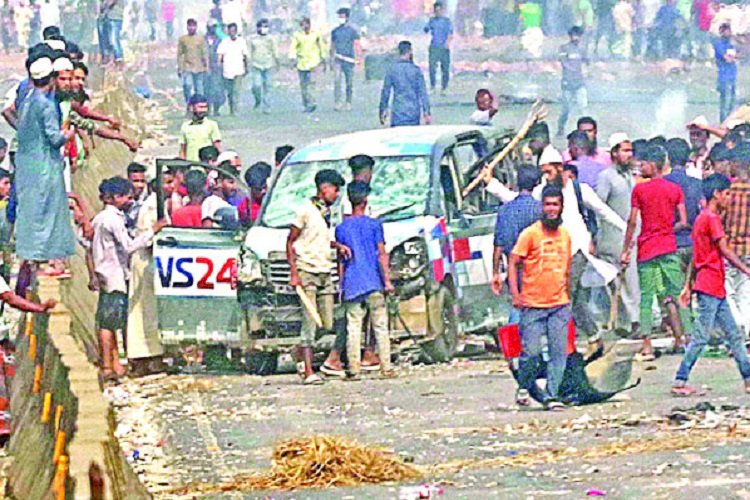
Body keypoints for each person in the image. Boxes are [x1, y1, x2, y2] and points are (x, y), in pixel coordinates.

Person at [482, 145, 626, 355]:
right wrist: (490, 182)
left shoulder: (579, 190)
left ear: (560, 168)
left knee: (564, 297)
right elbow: (515, 199)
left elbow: (604, 212)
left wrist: (627, 230)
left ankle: (574, 343)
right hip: (556, 255)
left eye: (549, 172)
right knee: (571, 300)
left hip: (576, 251)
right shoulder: (542, 192)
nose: (546, 177)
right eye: (544, 173)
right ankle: (587, 339)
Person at [673, 173, 750, 396]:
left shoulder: (702, 218)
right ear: (717, 194)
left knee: (734, 334)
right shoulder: (712, 219)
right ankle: (680, 379)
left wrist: (688, 285)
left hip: (712, 284)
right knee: (701, 336)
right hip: (710, 285)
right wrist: (745, 269)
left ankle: (747, 377)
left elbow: (697, 258)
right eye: (726, 194)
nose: (729, 199)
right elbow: (724, 250)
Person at [92, 177, 166, 380]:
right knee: (109, 324)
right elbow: (129, 246)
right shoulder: (112, 220)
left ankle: (115, 365)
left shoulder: (100, 218)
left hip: (106, 273)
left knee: (109, 321)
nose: (129, 200)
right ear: (114, 197)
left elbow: (88, 242)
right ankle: (108, 366)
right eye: (125, 196)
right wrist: (154, 230)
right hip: (114, 275)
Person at [621, 145, 691, 360]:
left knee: (647, 297)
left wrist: (626, 249)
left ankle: (647, 344)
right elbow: (684, 221)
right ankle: (686, 339)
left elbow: (632, 221)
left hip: (647, 249)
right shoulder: (674, 189)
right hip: (669, 246)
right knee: (677, 294)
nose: (640, 167)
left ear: (654, 165)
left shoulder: (640, 190)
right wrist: (667, 229)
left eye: (643, 163)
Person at [509, 185, 572, 410]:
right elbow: (513, 261)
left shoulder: (565, 234)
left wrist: (568, 295)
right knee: (531, 353)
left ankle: (552, 395)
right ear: (541, 207)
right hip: (533, 304)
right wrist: (515, 294)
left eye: (555, 205)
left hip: (560, 304)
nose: (551, 209)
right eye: (547, 204)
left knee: (558, 352)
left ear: (561, 207)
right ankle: (524, 387)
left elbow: (567, 268)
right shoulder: (530, 234)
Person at [15, 56, 76, 275]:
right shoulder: (45, 104)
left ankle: (34, 258)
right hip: (45, 165)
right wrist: (68, 134)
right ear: (51, 79)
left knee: (33, 212)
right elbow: (54, 139)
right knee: (51, 211)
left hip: (28, 165)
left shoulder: (29, 98)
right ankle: (51, 259)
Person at [287, 169, 345, 385]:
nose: (336, 194)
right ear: (323, 188)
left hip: (324, 271)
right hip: (307, 271)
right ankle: (309, 370)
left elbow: (319, 238)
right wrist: (294, 273)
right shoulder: (305, 211)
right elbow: (290, 241)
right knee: (310, 322)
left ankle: (299, 351)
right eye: (334, 189)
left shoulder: (327, 214)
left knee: (327, 321)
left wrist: (337, 245)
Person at [335, 181, 394, 379]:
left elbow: (341, 261)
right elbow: (381, 254)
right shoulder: (375, 225)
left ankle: (354, 368)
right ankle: (386, 367)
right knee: (380, 325)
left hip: (352, 283)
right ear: (366, 200)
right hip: (373, 281)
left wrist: (341, 285)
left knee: (353, 326)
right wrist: (387, 281)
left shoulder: (341, 228)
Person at [596, 133, 640, 334]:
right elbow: (599, 207)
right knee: (621, 282)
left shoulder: (631, 176)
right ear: (614, 153)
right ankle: (626, 322)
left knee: (633, 281)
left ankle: (634, 321)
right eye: (625, 150)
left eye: (630, 150)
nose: (629, 155)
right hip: (614, 239)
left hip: (633, 237)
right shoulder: (606, 177)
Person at [491, 165, 542, 327]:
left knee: (517, 307)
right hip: (539, 268)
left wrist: (495, 273)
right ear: (537, 183)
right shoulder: (541, 209)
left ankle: (516, 347)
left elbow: (498, 245)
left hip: (515, 271)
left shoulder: (505, 210)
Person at [723, 145, 750, 339]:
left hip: (729, 249)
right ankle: (747, 331)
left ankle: (738, 327)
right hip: (749, 249)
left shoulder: (728, 192)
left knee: (728, 292)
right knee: (745, 293)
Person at [379, 41, 431, 127]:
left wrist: (382, 110)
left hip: (398, 111)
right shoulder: (416, 70)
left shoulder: (392, 70)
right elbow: (423, 93)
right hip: (413, 111)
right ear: (410, 52)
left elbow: (385, 92)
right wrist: (427, 112)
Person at [290, 17, 327, 113]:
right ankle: (306, 104)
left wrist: (323, 57)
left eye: (305, 24)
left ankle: (312, 103)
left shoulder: (316, 34)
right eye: (302, 25)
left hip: (314, 63)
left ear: (309, 24)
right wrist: (292, 58)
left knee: (311, 84)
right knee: (303, 86)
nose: (304, 27)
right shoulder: (297, 35)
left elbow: (321, 46)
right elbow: (293, 47)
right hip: (302, 63)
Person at [556, 26, 588, 138]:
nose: (576, 38)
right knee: (566, 109)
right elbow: (564, 63)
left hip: (580, 83)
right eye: (574, 35)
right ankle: (560, 128)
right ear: (570, 36)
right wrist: (574, 70)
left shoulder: (582, 50)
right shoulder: (564, 48)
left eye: (578, 36)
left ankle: (584, 131)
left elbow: (586, 63)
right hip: (567, 83)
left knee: (583, 106)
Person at [331, 7, 361, 111]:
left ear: (347, 17)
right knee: (337, 81)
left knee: (349, 82)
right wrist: (331, 58)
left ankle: (348, 102)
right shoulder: (335, 31)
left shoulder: (352, 31)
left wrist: (358, 59)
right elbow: (332, 45)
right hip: (338, 59)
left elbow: (357, 45)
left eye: (342, 16)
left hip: (349, 59)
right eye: (339, 16)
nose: (341, 18)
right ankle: (337, 102)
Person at [179, 94, 222, 161]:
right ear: (191, 108)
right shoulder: (185, 126)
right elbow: (182, 150)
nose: (203, 110)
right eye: (200, 107)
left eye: (205, 107)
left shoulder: (211, 125)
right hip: (191, 167)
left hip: (207, 167)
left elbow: (217, 148)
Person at [217, 23, 248, 116]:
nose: (232, 33)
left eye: (234, 31)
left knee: (236, 91)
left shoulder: (241, 42)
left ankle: (236, 110)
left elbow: (245, 55)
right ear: (228, 31)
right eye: (230, 31)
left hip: (239, 70)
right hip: (227, 71)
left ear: (236, 31)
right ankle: (231, 108)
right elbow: (220, 55)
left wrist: (246, 67)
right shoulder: (224, 42)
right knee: (230, 92)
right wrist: (219, 66)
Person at [177, 19, 208, 112]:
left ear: (196, 27)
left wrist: (207, 66)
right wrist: (179, 68)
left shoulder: (200, 39)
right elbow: (179, 54)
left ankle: (200, 109)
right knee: (187, 86)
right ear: (187, 27)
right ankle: (189, 106)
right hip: (187, 67)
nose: (191, 28)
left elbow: (205, 53)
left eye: (193, 26)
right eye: (189, 26)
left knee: (199, 89)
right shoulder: (183, 39)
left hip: (199, 67)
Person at [249, 19, 277, 114]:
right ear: (258, 28)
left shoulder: (271, 39)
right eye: (262, 26)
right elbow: (249, 52)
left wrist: (277, 62)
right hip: (256, 65)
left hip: (268, 64)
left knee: (267, 87)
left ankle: (267, 107)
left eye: (266, 26)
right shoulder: (252, 39)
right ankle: (258, 99)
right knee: (256, 85)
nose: (264, 28)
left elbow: (274, 51)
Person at [424, 1, 452, 94]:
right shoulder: (432, 20)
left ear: (442, 10)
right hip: (434, 47)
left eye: (439, 10)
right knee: (432, 68)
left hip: (444, 48)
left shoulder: (446, 21)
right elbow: (426, 29)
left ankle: (444, 88)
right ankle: (433, 87)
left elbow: (450, 33)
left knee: (445, 69)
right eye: (436, 10)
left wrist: (447, 44)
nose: (438, 12)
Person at [714, 23, 737, 123]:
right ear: (722, 32)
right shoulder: (719, 44)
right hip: (723, 76)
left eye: (729, 30)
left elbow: (733, 56)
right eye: (727, 31)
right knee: (724, 101)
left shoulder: (730, 44)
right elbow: (727, 58)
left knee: (732, 100)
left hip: (732, 75)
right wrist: (731, 58)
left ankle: (729, 120)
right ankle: (723, 121)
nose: (729, 33)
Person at [205, 19, 226, 117]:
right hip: (204, 67)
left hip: (217, 67)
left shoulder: (221, 40)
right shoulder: (203, 40)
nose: (212, 29)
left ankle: (216, 109)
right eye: (210, 27)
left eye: (214, 27)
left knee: (217, 89)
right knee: (206, 89)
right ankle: (207, 108)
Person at [125, 162, 148, 231]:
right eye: (136, 181)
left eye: (142, 181)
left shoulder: (148, 200)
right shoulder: (121, 200)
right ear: (128, 180)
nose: (140, 185)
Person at [100, 0, 124, 66]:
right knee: (105, 41)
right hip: (104, 17)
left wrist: (104, 5)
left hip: (115, 17)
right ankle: (108, 60)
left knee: (114, 40)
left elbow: (111, 2)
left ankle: (118, 59)